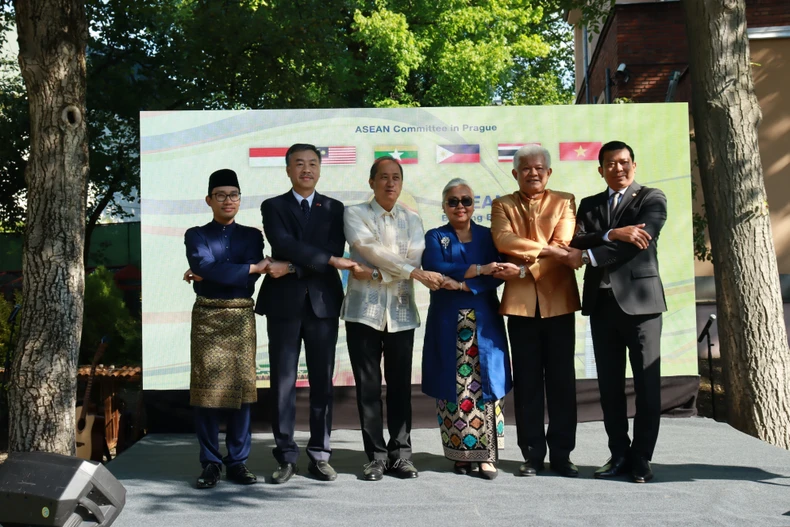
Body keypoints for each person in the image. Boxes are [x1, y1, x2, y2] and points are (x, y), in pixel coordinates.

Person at [565, 140, 667, 483]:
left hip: (642, 306)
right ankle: (618, 454)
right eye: (611, 163)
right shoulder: (590, 204)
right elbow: (576, 241)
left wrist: (594, 252)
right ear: (601, 169)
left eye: (624, 162)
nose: (618, 168)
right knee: (609, 387)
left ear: (633, 166)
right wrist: (611, 232)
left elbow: (640, 239)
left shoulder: (652, 198)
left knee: (647, 386)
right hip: (602, 305)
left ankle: (642, 458)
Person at [254, 143, 357, 484]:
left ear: (320, 169)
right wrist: (322, 262)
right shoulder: (273, 206)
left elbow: (332, 250)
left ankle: (320, 454)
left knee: (321, 384)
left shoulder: (334, 208)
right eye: (299, 164)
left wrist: (295, 269)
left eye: (313, 163)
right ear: (287, 169)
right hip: (283, 306)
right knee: (283, 383)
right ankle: (285, 455)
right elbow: (283, 244)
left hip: (322, 304)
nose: (306, 169)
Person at [341, 155, 443, 481]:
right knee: (368, 389)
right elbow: (367, 248)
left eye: (396, 177)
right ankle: (375, 456)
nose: (389, 183)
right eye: (383, 177)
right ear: (371, 182)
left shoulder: (412, 219)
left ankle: (401, 454)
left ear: (401, 183)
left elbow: (412, 256)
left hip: (400, 313)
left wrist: (372, 275)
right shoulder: (354, 213)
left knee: (400, 388)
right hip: (363, 314)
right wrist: (404, 271)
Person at [490, 145, 582, 478]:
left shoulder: (565, 200)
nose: (533, 173)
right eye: (526, 168)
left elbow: (566, 242)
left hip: (559, 302)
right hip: (521, 307)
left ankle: (562, 454)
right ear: (515, 173)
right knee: (527, 382)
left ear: (549, 172)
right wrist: (546, 250)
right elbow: (503, 240)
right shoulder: (502, 203)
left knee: (562, 381)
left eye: (539, 167)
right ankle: (531, 454)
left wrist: (526, 267)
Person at [421, 178, 517, 479]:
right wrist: (478, 270)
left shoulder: (488, 236)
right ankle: (460, 454)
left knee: (487, 382)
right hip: (448, 320)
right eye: (453, 201)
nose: (460, 206)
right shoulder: (436, 236)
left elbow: (499, 272)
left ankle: (487, 457)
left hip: (484, 317)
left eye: (466, 201)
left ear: (474, 205)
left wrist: (465, 284)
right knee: (454, 384)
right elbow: (436, 266)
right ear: (444, 205)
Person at [183, 168, 269, 489]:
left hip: (240, 316)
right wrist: (245, 268)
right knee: (205, 394)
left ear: (239, 199)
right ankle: (210, 463)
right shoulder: (196, 234)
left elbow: (250, 278)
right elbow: (203, 266)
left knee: (243, 393)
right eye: (220, 195)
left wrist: (218, 272)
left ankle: (237, 462)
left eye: (233, 194)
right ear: (209, 200)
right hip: (207, 317)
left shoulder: (252, 235)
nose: (228, 200)